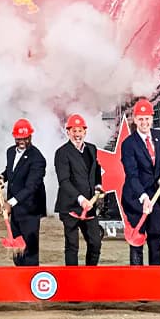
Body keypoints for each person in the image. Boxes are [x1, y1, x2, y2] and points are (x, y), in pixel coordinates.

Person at [121, 99, 160, 265]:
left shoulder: (158, 136)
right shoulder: (128, 144)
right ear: (134, 120)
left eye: (147, 118)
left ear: (152, 118)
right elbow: (131, 175)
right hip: (136, 199)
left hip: (155, 197)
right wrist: (143, 197)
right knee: (137, 240)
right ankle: (136, 279)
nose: (144, 122)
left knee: (156, 238)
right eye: (140, 119)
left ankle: (156, 276)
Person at [54, 114, 103, 266]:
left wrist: (98, 186)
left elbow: (96, 172)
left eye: (80, 131)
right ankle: (72, 279)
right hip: (70, 207)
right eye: (73, 131)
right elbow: (64, 181)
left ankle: (90, 274)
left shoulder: (92, 149)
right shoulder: (62, 153)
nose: (77, 134)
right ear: (68, 132)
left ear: (85, 132)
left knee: (95, 243)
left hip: (89, 207)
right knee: (72, 246)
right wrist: (81, 199)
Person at [1, 118, 46, 266]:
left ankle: (31, 280)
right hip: (15, 210)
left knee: (30, 251)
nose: (22, 141)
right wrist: (1, 177)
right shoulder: (10, 152)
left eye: (25, 138)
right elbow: (11, 172)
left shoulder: (37, 158)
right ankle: (19, 277)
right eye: (19, 138)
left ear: (30, 137)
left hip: (30, 210)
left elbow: (31, 187)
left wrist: (10, 203)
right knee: (18, 250)